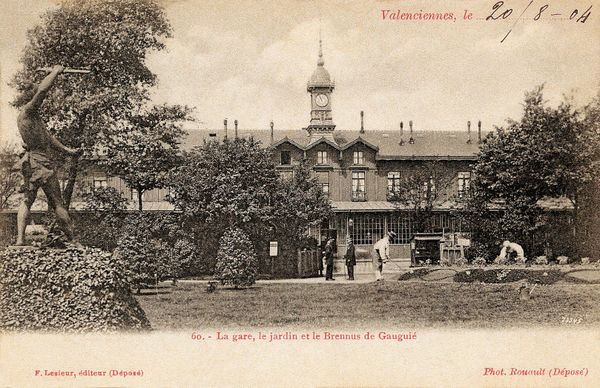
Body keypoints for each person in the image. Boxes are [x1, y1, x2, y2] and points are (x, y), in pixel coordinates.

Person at [15, 65, 81, 245]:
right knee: (57, 203)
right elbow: (43, 90)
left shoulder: (33, 119)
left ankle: (20, 240)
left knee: (28, 200)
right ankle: (73, 240)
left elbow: (49, 140)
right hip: (39, 163)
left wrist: (69, 151)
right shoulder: (28, 112)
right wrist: (55, 72)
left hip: (34, 162)